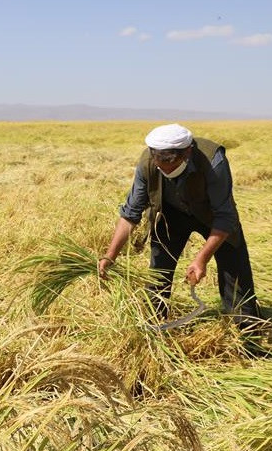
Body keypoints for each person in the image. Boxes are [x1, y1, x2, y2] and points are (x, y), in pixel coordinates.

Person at [99, 123, 259, 329]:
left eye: (172, 166)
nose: (166, 171)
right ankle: (154, 327)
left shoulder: (212, 161)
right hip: (169, 214)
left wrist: (201, 259)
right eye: (161, 167)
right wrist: (109, 256)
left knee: (235, 272)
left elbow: (225, 216)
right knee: (158, 272)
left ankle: (246, 332)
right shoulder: (147, 163)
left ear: (188, 152)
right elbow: (130, 213)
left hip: (212, 216)